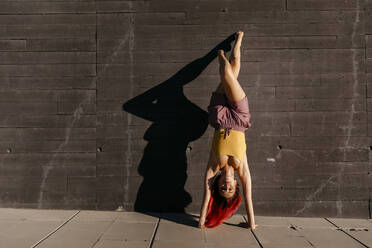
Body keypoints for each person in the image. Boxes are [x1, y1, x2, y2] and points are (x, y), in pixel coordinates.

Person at [198, 31, 258, 229]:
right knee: (228, 74)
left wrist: (201, 222)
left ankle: (235, 45)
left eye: (223, 188)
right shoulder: (242, 170)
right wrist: (251, 224)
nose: (227, 185)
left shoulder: (213, 168)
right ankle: (221, 53)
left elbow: (206, 199)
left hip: (219, 118)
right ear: (235, 186)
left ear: (218, 184)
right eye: (230, 189)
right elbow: (248, 199)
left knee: (232, 72)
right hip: (240, 119)